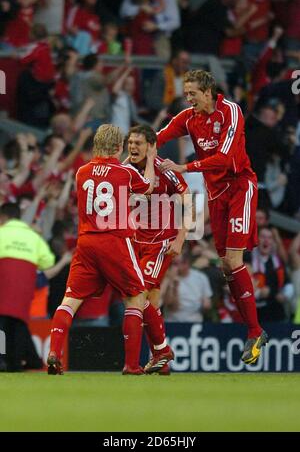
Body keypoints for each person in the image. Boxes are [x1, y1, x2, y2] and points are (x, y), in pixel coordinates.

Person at [158, 69, 268, 365]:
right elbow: (160, 137)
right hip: (216, 195)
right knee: (225, 266)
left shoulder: (231, 111)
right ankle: (253, 329)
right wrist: (132, 155)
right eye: (186, 93)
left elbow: (225, 159)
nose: (188, 98)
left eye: (192, 93)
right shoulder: (189, 118)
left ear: (208, 92)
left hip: (239, 187)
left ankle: (255, 332)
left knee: (234, 261)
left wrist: (183, 167)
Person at [47, 124, 173, 375]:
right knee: (136, 297)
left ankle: (54, 352)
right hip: (115, 241)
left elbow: (108, 173)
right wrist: (149, 158)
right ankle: (133, 364)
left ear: (95, 145)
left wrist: (119, 162)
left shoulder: (81, 172)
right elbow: (147, 186)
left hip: (86, 243)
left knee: (69, 302)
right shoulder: (124, 174)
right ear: (119, 147)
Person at [127, 124, 192, 374]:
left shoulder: (165, 169)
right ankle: (160, 360)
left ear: (151, 146)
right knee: (150, 302)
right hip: (136, 242)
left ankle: (162, 351)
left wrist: (180, 239)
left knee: (138, 297)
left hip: (161, 242)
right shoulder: (127, 169)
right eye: (130, 143)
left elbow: (189, 201)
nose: (133, 147)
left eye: (138, 143)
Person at [0, 202, 55, 371]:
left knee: (1, 323)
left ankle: (5, 360)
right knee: (18, 322)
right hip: (25, 283)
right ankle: (18, 362)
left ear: (3, 217)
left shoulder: (1, 232)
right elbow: (48, 261)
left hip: (3, 279)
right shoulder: (33, 237)